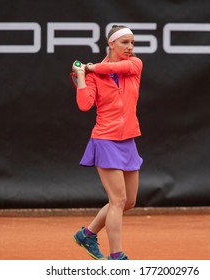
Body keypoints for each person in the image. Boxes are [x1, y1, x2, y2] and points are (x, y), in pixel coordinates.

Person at [72, 25, 143, 260]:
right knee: (118, 200)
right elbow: (84, 105)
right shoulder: (93, 75)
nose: (130, 47)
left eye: (132, 42)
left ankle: (87, 234)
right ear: (111, 44)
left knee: (129, 201)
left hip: (128, 139)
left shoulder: (134, 65)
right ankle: (117, 256)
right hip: (105, 139)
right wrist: (83, 77)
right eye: (124, 42)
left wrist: (92, 67)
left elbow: (116, 67)